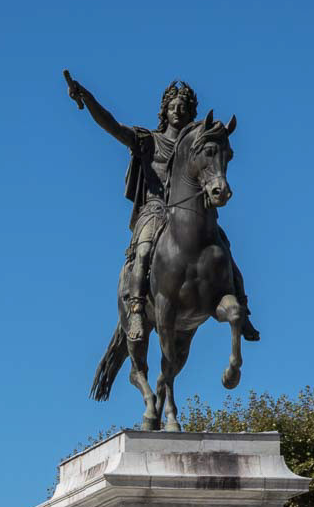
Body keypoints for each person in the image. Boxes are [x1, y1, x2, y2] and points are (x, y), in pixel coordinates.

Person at [62, 72, 258, 342]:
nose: (178, 110)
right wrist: (88, 98)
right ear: (164, 110)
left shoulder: (194, 145)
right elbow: (112, 126)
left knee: (224, 247)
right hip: (156, 209)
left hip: (191, 213)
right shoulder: (148, 140)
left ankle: (243, 309)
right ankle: (136, 309)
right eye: (173, 106)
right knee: (144, 249)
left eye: (184, 107)